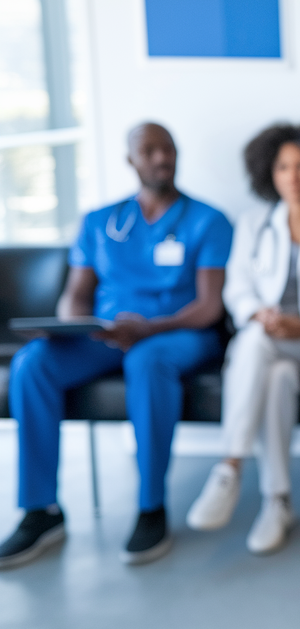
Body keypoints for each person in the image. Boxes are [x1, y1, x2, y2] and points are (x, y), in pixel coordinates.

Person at [0, 123, 233, 568]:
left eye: (168, 148)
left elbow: (209, 306)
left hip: (177, 334)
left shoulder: (208, 220)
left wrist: (149, 328)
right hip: (104, 334)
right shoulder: (100, 222)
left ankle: (151, 506)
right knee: (32, 363)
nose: (161, 157)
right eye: (149, 150)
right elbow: (77, 292)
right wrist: (72, 326)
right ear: (131, 161)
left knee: (148, 363)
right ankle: (40, 509)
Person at [186, 123, 300, 554]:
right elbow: (237, 289)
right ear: (269, 171)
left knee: (251, 344)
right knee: (277, 376)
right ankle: (277, 501)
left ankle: (230, 466)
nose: (293, 176)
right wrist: (259, 314)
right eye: (284, 166)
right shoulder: (253, 224)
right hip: (273, 342)